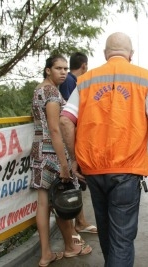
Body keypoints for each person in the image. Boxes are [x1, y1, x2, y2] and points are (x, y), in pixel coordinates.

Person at [59, 32, 148, 267]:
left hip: (93, 169)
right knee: (122, 238)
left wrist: (74, 159)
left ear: (105, 54)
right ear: (130, 55)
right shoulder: (143, 78)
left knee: (106, 231)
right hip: (126, 170)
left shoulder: (86, 80)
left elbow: (65, 121)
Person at [31, 54, 92, 267]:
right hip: (54, 155)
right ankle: (72, 246)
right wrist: (65, 164)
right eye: (58, 68)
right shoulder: (51, 92)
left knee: (43, 205)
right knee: (63, 201)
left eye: (66, 68)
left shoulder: (38, 90)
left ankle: (46, 253)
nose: (64, 72)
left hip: (39, 152)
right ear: (48, 70)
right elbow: (55, 129)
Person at [59, 52, 98, 244]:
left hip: (77, 138)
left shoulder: (72, 81)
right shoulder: (70, 82)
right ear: (84, 66)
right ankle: (75, 226)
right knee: (73, 181)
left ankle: (80, 222)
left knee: (78, 182)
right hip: (72, 140)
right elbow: (67, 117)